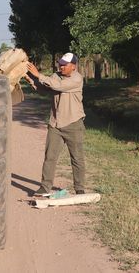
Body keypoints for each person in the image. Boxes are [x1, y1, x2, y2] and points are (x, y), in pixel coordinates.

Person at [26, 53, 86, 195]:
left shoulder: (77, 79)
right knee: (50, 157)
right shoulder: (55, 76)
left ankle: (79, 188)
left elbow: (58, 86)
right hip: (55, 123)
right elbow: (46, 89)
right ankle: (45, 187)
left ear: (73, 66)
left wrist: (38, 74)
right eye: (60, 63)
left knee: (77, 158)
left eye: (65, 64)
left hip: (73, 123)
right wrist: (31, 79)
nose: (61, 66)